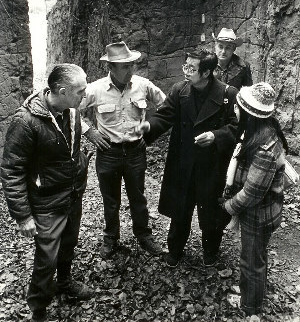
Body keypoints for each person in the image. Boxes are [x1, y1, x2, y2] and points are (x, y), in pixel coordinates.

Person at [1, 64, 93, 322]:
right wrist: (23, 216)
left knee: (69, 244)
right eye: (80, 91)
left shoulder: (71, 111)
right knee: (46, 259)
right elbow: (12, 169)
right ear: (62, 91)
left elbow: (70, 143)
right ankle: (38, 308)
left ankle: (64, 283)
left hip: (72, 195)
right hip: (46, 203)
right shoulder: (25, 121)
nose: (85, 96)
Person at [135, 49, 238, 267]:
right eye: (185, 66)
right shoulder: (179, 90)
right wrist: (149, 126)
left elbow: (237, 127)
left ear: (207, 72)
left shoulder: (228, 94)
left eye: (192, 68)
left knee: (210, 212)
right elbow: (164, 115)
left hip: (212, 166)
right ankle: (175, 250)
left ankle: (210, 252)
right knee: (180, 209)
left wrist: (216, 136)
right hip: (183, 162)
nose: (186, 72)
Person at [81, 41, 166, 259]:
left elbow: (168, 106)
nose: (131, 69)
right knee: (110, 199)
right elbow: (70, 107)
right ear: (111, 68)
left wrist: (151, 125)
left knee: (138, 197)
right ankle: (111, 238)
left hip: (136, 151)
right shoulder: (96, 89)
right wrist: (89, 131)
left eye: (132, 64)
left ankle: (144, 235)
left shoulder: (143, 85)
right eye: (125, 66)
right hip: (108, 152)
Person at [219, 82, 287, 316]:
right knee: (254, 256)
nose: (235, 111)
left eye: (238, 108)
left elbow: (252, 193)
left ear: (249, 113)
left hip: (258, 216)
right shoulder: (257, 134)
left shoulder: (264, 149)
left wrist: (228, 207)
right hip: (260, 213)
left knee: (251, 261)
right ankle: (251, 290)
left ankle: (251, 306)